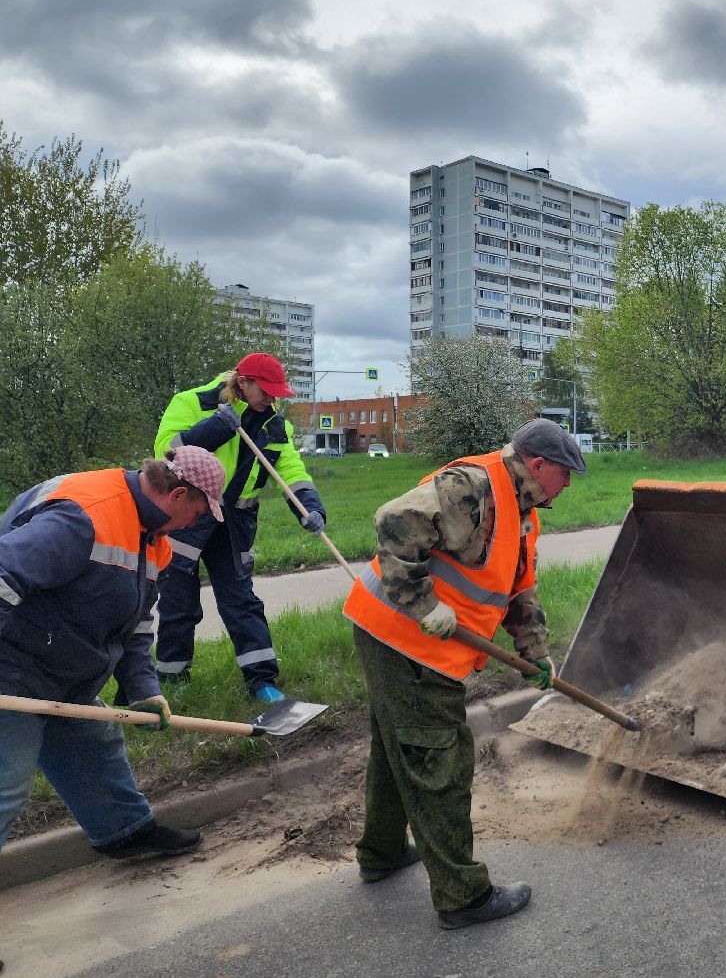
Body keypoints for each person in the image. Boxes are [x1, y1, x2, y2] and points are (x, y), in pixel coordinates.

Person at [342, 418, 586, 930]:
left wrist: (534, 649)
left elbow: (518, 587)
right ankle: (462, 896)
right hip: (402, 635)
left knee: (398, 744)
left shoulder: (524, 510)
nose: (569, 485)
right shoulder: (471, 487)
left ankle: (382, 852)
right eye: (566, 474)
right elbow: (392, 521)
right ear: (539, 466)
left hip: (422, 643)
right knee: (439, 755)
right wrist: (421, 602)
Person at [0, 447, 227, 858]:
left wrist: (142, 687)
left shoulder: (155, 541)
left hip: (62, 668)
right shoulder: (84, 516)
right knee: (6, 782)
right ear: (177, 497)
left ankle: (125, 831)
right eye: (198, 513)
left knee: (91, 742)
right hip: (11, 665)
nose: (197, 523)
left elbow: (135, 625)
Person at [153, 353, 327, 704]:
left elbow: (290, 470)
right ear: (243, 382)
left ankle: (262, 681)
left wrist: (309, 506)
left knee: (241, 600)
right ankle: (171, 681)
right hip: (190, 514)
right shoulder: (191, 402)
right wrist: (214, 427)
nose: (272, 399)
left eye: (278, 393)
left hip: (235, 523)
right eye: (267, 391)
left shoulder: (275, 425)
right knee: (177, 600)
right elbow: (165, 454)